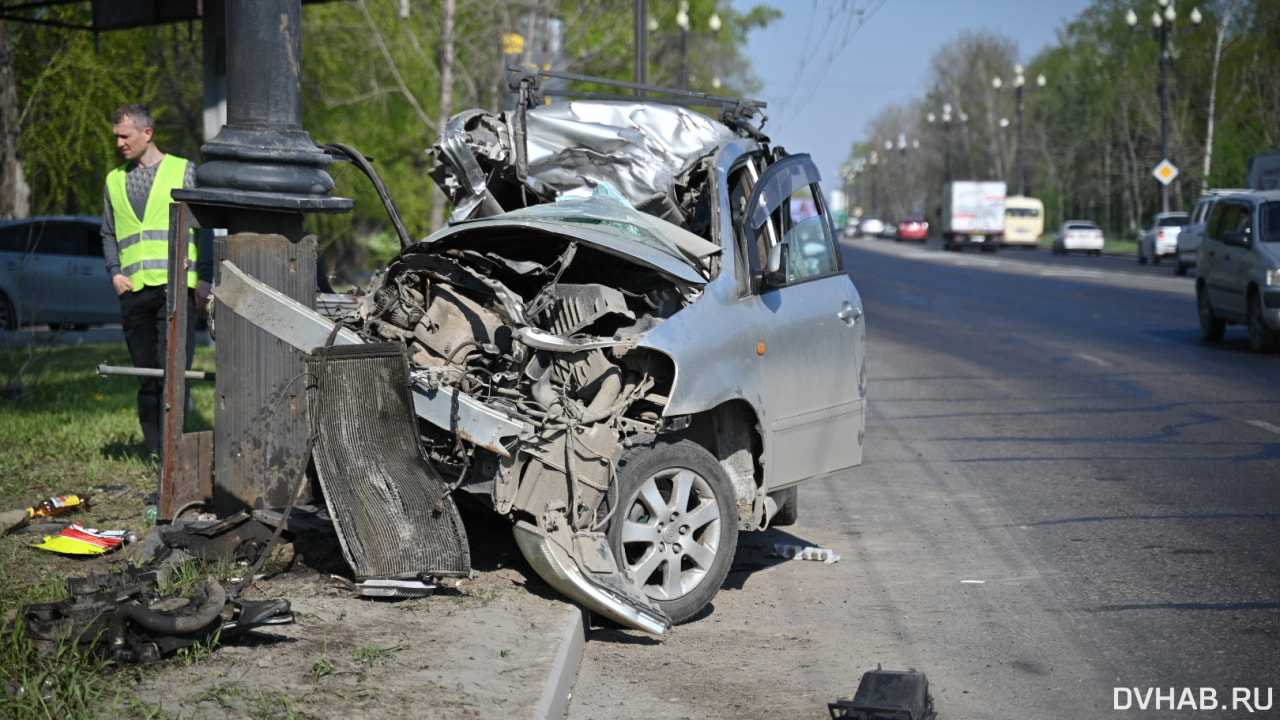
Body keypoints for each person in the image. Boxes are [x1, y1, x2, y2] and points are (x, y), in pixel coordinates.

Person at [101, 103, 212, 462]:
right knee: (146, 375)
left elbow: (204, 229)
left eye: (124, 135)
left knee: (172, 373)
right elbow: (108, 232)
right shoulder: (114, 179)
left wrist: (204, 279)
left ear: (147, 134)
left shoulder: (184, 171)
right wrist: (115, 271)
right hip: (133, 291)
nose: (119, 143)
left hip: (175, 288)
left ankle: (173, 452)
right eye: (116, 136)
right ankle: (155, 452)